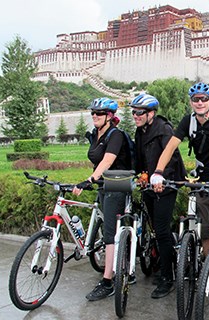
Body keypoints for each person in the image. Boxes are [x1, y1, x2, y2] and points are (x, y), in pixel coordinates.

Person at [151, 84, 209, 242]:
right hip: (202, 178)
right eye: (196, 99)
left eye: (204, 99)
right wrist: (158, 172)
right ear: (191, 102)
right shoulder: (188, 122)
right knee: (204, 229)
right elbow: (170, 148)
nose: (200, 103)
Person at [73, 97, 132, 301]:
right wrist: (94, 178)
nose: (95, 116)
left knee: (109, 231)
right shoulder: (95, 135)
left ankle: (108, 281)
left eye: (99, 113)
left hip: (118, 180)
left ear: (109, 116)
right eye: (93, 113)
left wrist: (90, 179)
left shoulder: (115, 135)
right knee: (103, 219)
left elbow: (108, 159)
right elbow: (97, 160)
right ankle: (110, 260)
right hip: (104, 182)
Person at [130, 93, 186, 298]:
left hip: (166, 184)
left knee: (161, 230)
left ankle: (168, 277)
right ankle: (162, 264)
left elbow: (172, 157)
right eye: (133, 112)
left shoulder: (163, 129)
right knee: (156, 228)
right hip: (149, 186)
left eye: (139, 112)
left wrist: (162, 178)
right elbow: (141, 158)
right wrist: (138, 174)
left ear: (151, 113)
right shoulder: (140, 131)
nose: (135, 115)